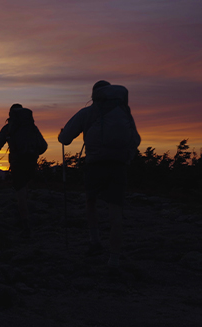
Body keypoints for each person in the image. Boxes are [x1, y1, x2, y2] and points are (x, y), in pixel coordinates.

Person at [58, 81, 141, 268]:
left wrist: (62, 134)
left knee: (91, 201)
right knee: (115, 211)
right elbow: (135, 139)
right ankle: (114, 259)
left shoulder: (87, 113)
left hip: (95, 165)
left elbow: (65, 139)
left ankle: (94, 241)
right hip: (119, 166)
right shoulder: (123, 112)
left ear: (94, 95)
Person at [0, 104, 48, 238]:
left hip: (17, 162)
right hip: (31, 161)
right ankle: (25, 214)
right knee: (25, 186)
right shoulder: (32, 127)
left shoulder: (9, 128)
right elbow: (44, 146)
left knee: (19, 190)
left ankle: (25, 223)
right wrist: (33, 152)